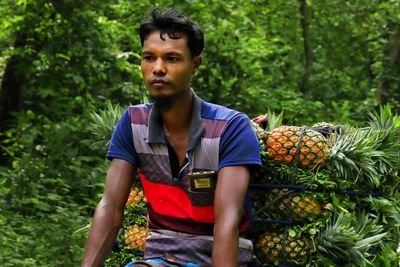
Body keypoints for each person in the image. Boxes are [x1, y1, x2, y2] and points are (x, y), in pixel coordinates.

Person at [81, 8, 261, 267]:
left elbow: (227, 221)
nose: (158, 68)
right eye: (148, 57)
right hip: (159, 256)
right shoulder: (133, 123)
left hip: (218, 254)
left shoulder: (230, 127)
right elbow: (110, 208)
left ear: (195, 65)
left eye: (172, 59)